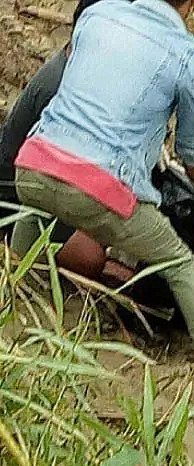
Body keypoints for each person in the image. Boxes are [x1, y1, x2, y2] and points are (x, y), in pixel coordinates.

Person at [12, 0, 194, 364]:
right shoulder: (188, 58)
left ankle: (15, 298)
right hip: (100, 188)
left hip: (34, 164)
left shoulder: (96, 15)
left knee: (38, 210)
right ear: (193, 4)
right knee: (181, 263)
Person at [1, 0, 135, 285]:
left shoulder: (79, 72)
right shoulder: (60, 88)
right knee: (93, 257)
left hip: (46, 186)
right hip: (19, 205)